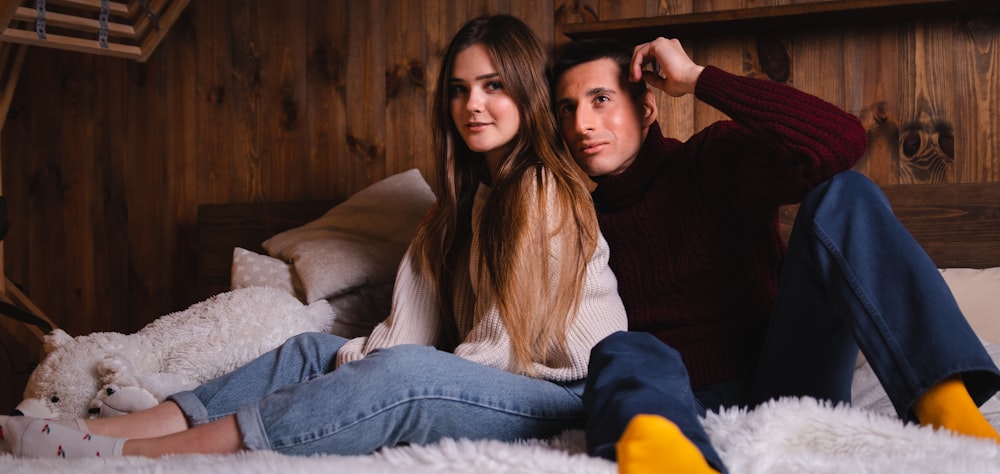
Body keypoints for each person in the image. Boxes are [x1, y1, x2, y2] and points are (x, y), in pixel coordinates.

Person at [0, 15, 627, 459]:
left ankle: (139, 451)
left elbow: (498, 348)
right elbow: (406, 328)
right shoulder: (451, 211)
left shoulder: (544, 190)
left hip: (563, 392)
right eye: (460, 90)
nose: (473, 105)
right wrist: (348, 362)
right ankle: (109, 430)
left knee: (399, 372)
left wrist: (381, 378)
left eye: (493, 86)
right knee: (313, 348)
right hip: (493, 376)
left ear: (525, 91)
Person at [551, 37, 1000, 473]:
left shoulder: (712, 159)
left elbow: (840, 142)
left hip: (787, 379)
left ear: (646, 107)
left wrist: (696, 78)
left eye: (601, 99)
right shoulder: (574, 221)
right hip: (673, 405)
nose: (582, 125)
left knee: (845, 192)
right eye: (567, 109)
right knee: (624, 348)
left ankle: (950, 416)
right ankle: (667, 460)